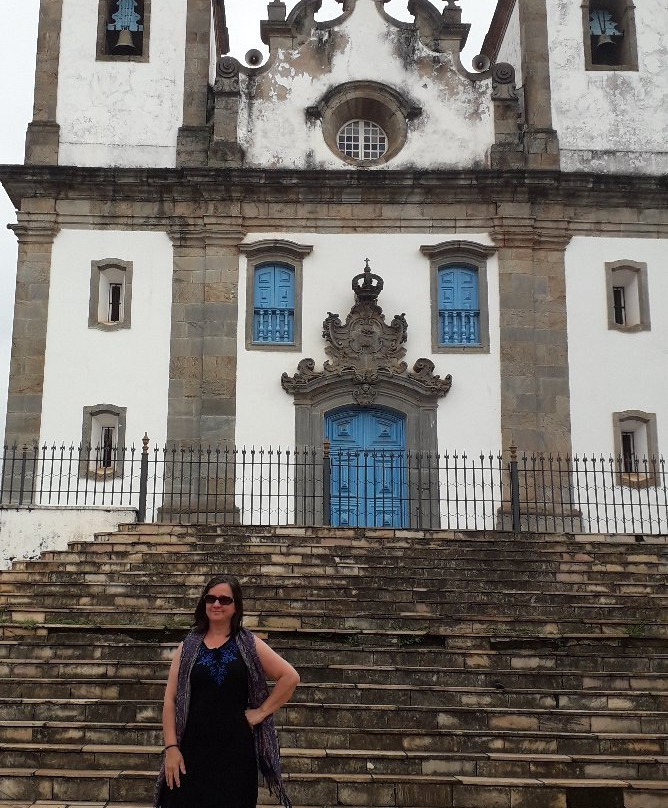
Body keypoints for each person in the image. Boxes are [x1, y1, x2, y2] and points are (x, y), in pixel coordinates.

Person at [154, 574, 300, 808]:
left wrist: (261, 712)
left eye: (224, 600)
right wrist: (171, 748)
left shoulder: (249, 644)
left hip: (235, 754)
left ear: (236, 606)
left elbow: (290, 677)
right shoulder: (187, 647)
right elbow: (170, 700)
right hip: (190, 753)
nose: (216, 604)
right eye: (210, 598)